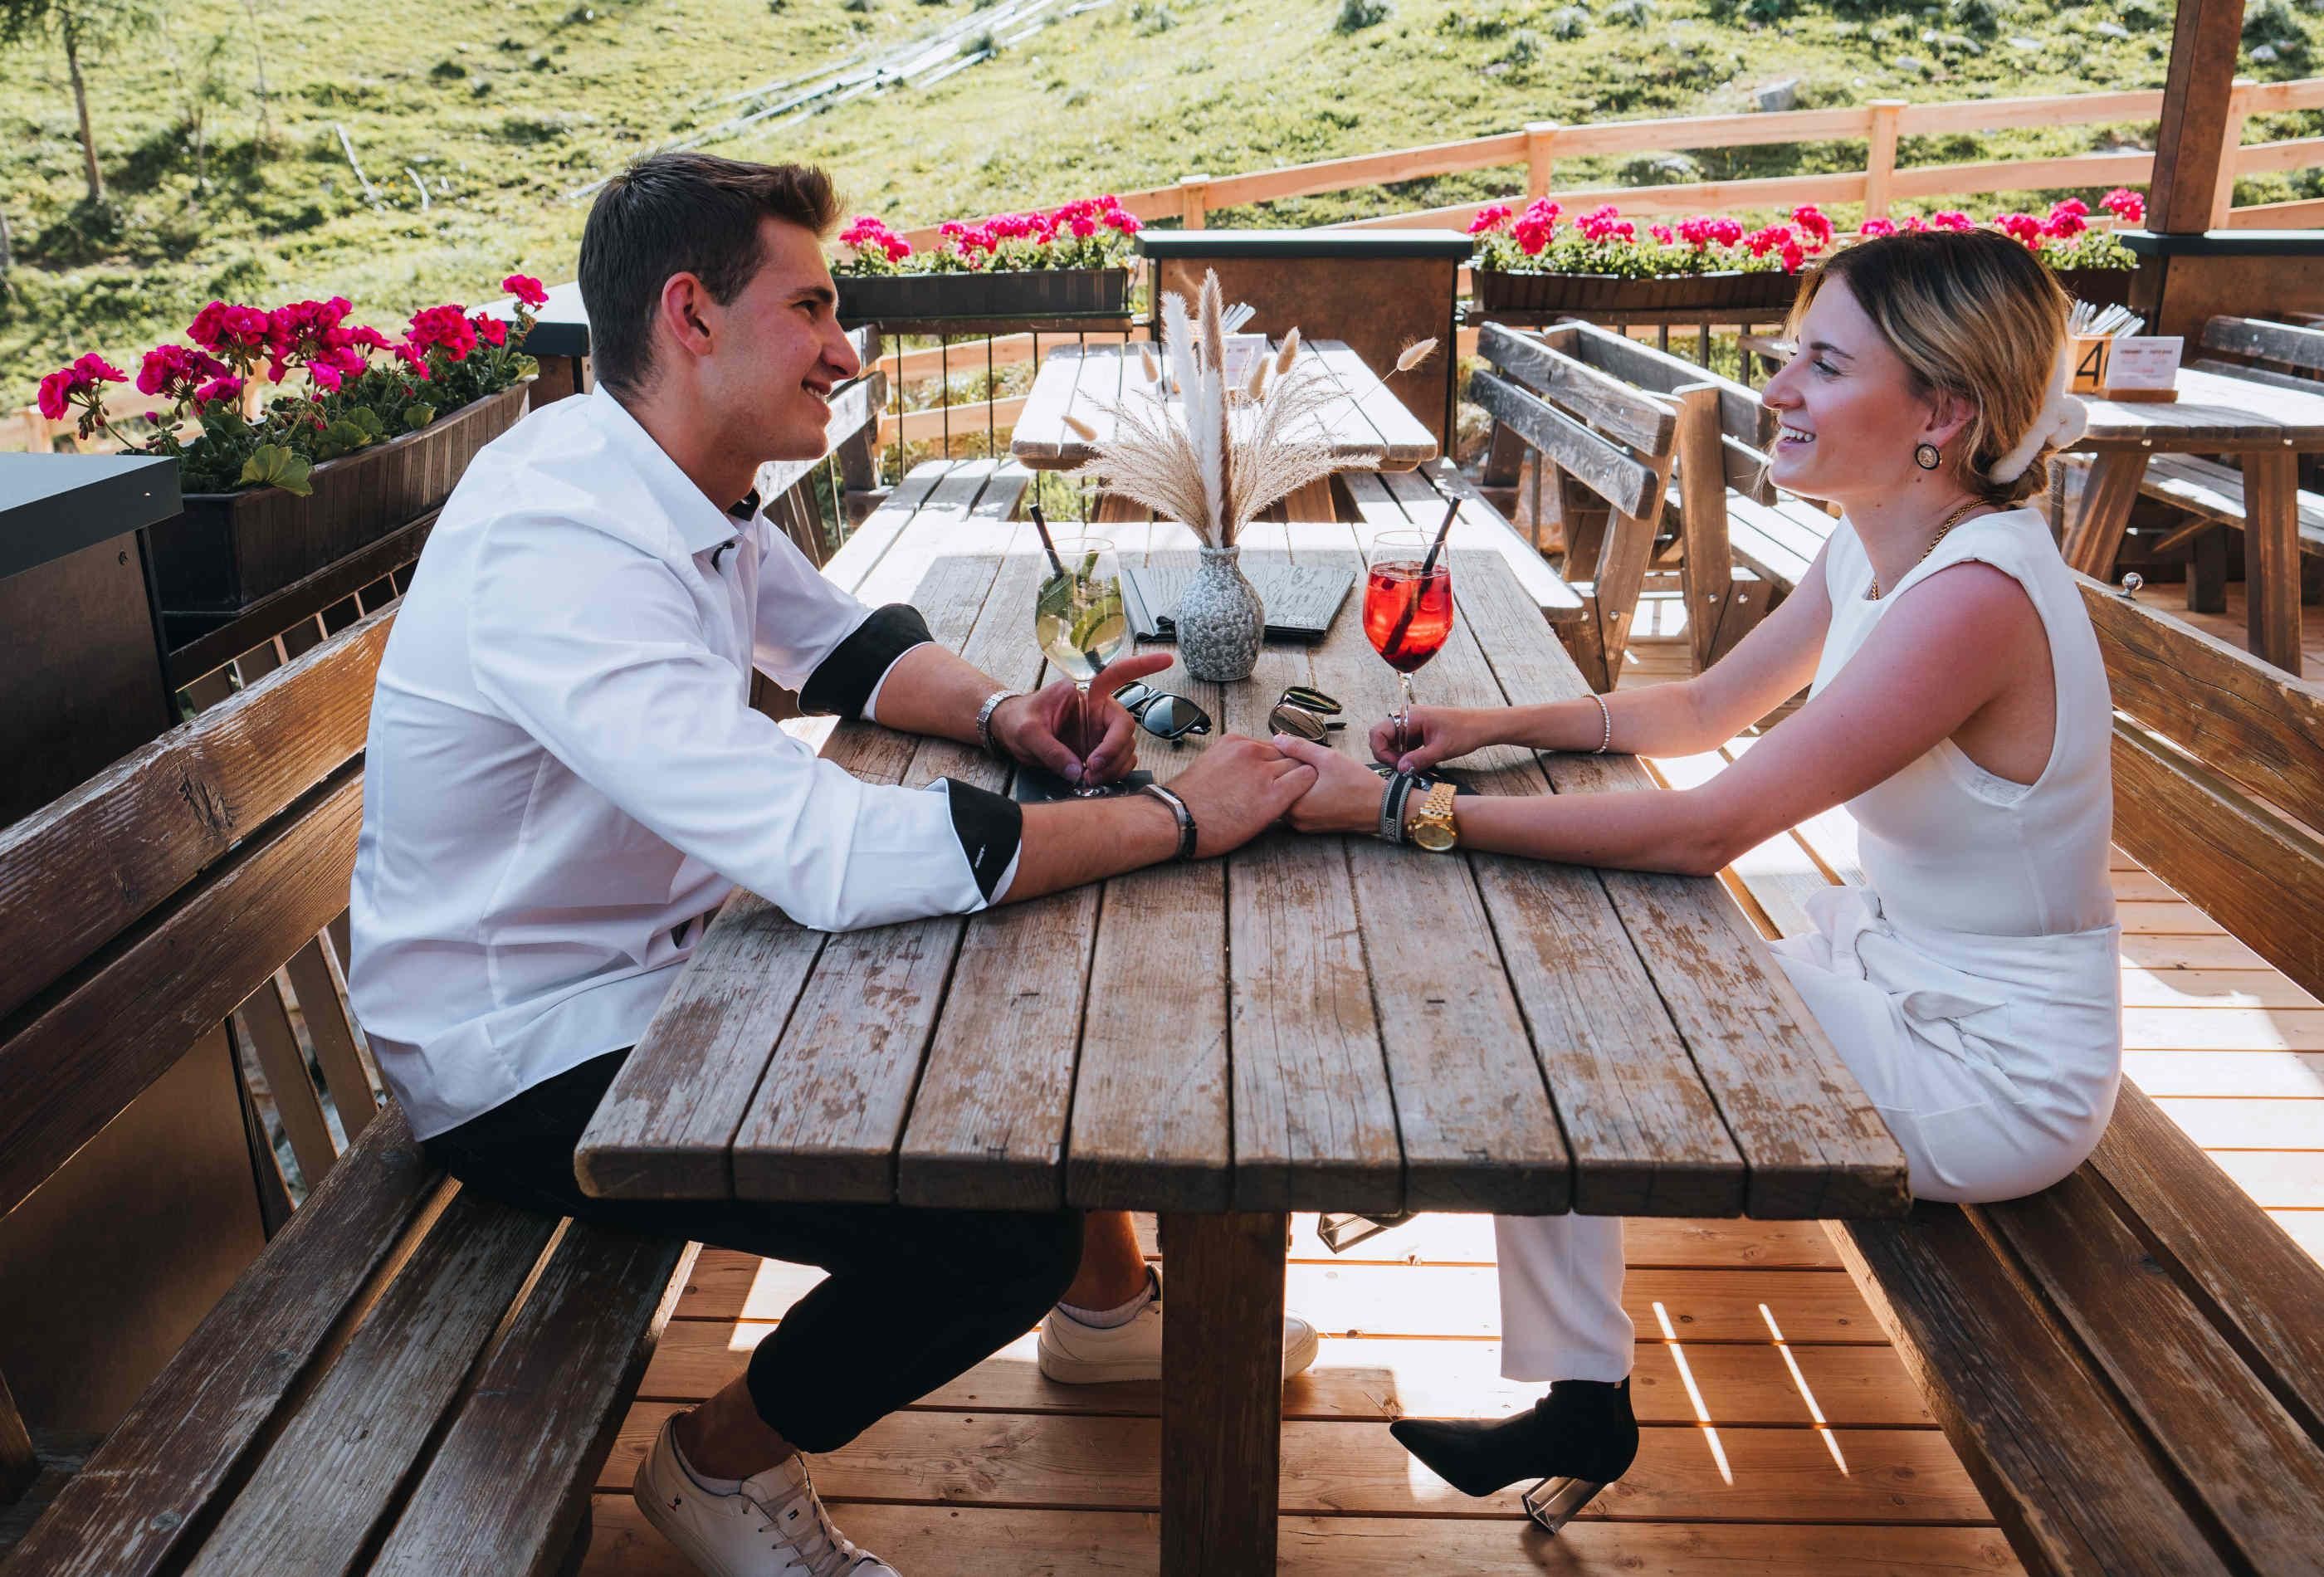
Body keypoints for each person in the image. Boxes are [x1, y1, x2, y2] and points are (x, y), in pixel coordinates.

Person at [348, 153, 1320, 1577]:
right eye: (810, 309)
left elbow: (838, 645)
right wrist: (1179, 820)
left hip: (667, 967)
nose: (846, 352)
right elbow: (830, 853)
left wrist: (1008, 713)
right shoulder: (561, 546)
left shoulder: (657, 472)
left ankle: (1108, 1314)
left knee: (1025, 992)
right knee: (996, 1222)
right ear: (691, 315)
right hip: (526, 1056)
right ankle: (722, 1463)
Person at [1271, 227, 2120, 1526]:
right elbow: (1704, 709)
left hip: (1990, 1066)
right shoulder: (1877, 543)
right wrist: (1491, 730)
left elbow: (1700, 830)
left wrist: (1400, 809)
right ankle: (1565, 1358)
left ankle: (1560, 1360)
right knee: (1570, 966)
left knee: (1573, 993)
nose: (1777, 390)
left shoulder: (1977, 598)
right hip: (1886, 972)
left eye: (1823, 366)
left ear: (1943, 413)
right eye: (1790, 355)